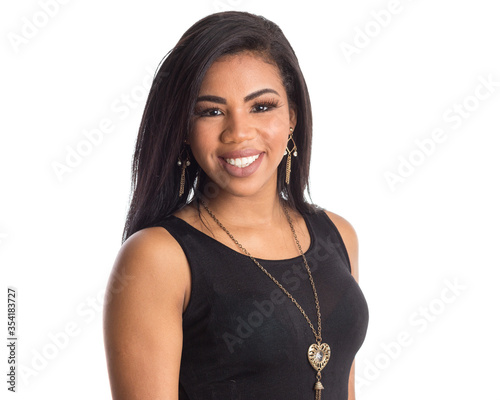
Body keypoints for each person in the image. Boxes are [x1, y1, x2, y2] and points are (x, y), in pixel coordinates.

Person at [103, 11, 369, 400]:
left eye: (261, 106)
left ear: (292, 116)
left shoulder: (338, 235)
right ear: (184, 129)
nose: (239, 132)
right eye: (211, 111)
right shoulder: (158, 257)